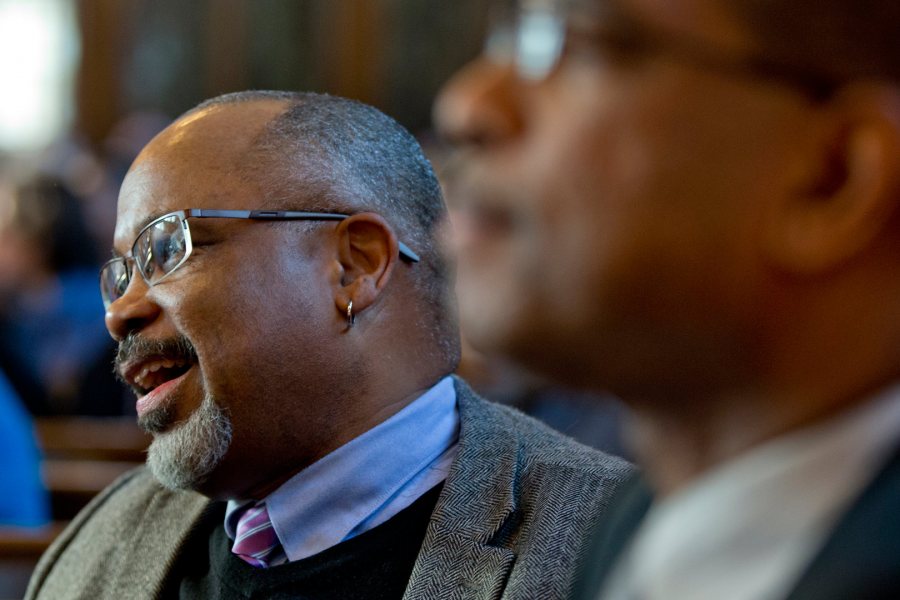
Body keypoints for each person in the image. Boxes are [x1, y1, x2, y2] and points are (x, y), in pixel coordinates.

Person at [25, 91, 631, 600]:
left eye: (166, 249)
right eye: (121, 271)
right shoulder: (99, 541)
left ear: (354, 266)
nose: (119, 311)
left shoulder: (609, 547)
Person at [434, 0, 900, 598]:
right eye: (515, 36)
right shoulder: (640, 520)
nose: (467, 106)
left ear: (832, 179)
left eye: (580, 43)